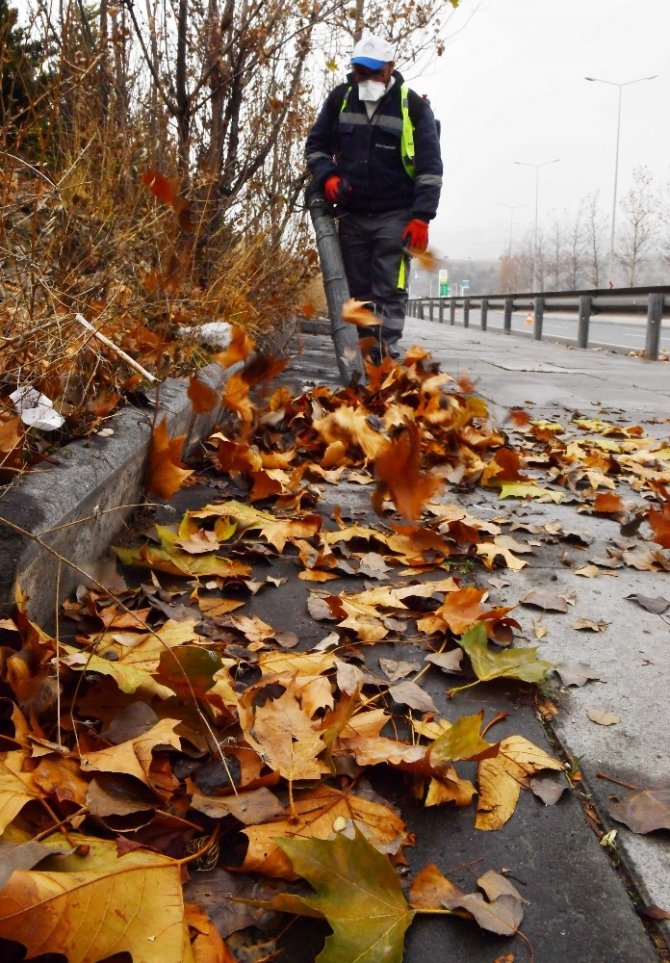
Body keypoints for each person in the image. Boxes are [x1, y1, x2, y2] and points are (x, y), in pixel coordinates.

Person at [305, 34, 443, 360]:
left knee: (389, 288)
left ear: (389, 69)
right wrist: (328, 176)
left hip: (396, 214)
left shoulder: (413, 107)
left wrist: (422, 218)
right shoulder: (341, 99)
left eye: (373, 72)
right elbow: (316, 146)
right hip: (352, 214)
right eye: (359, 72)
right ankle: (364, 355)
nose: (365, 79)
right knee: (357, 290)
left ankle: (384, 353)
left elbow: (429, 168)